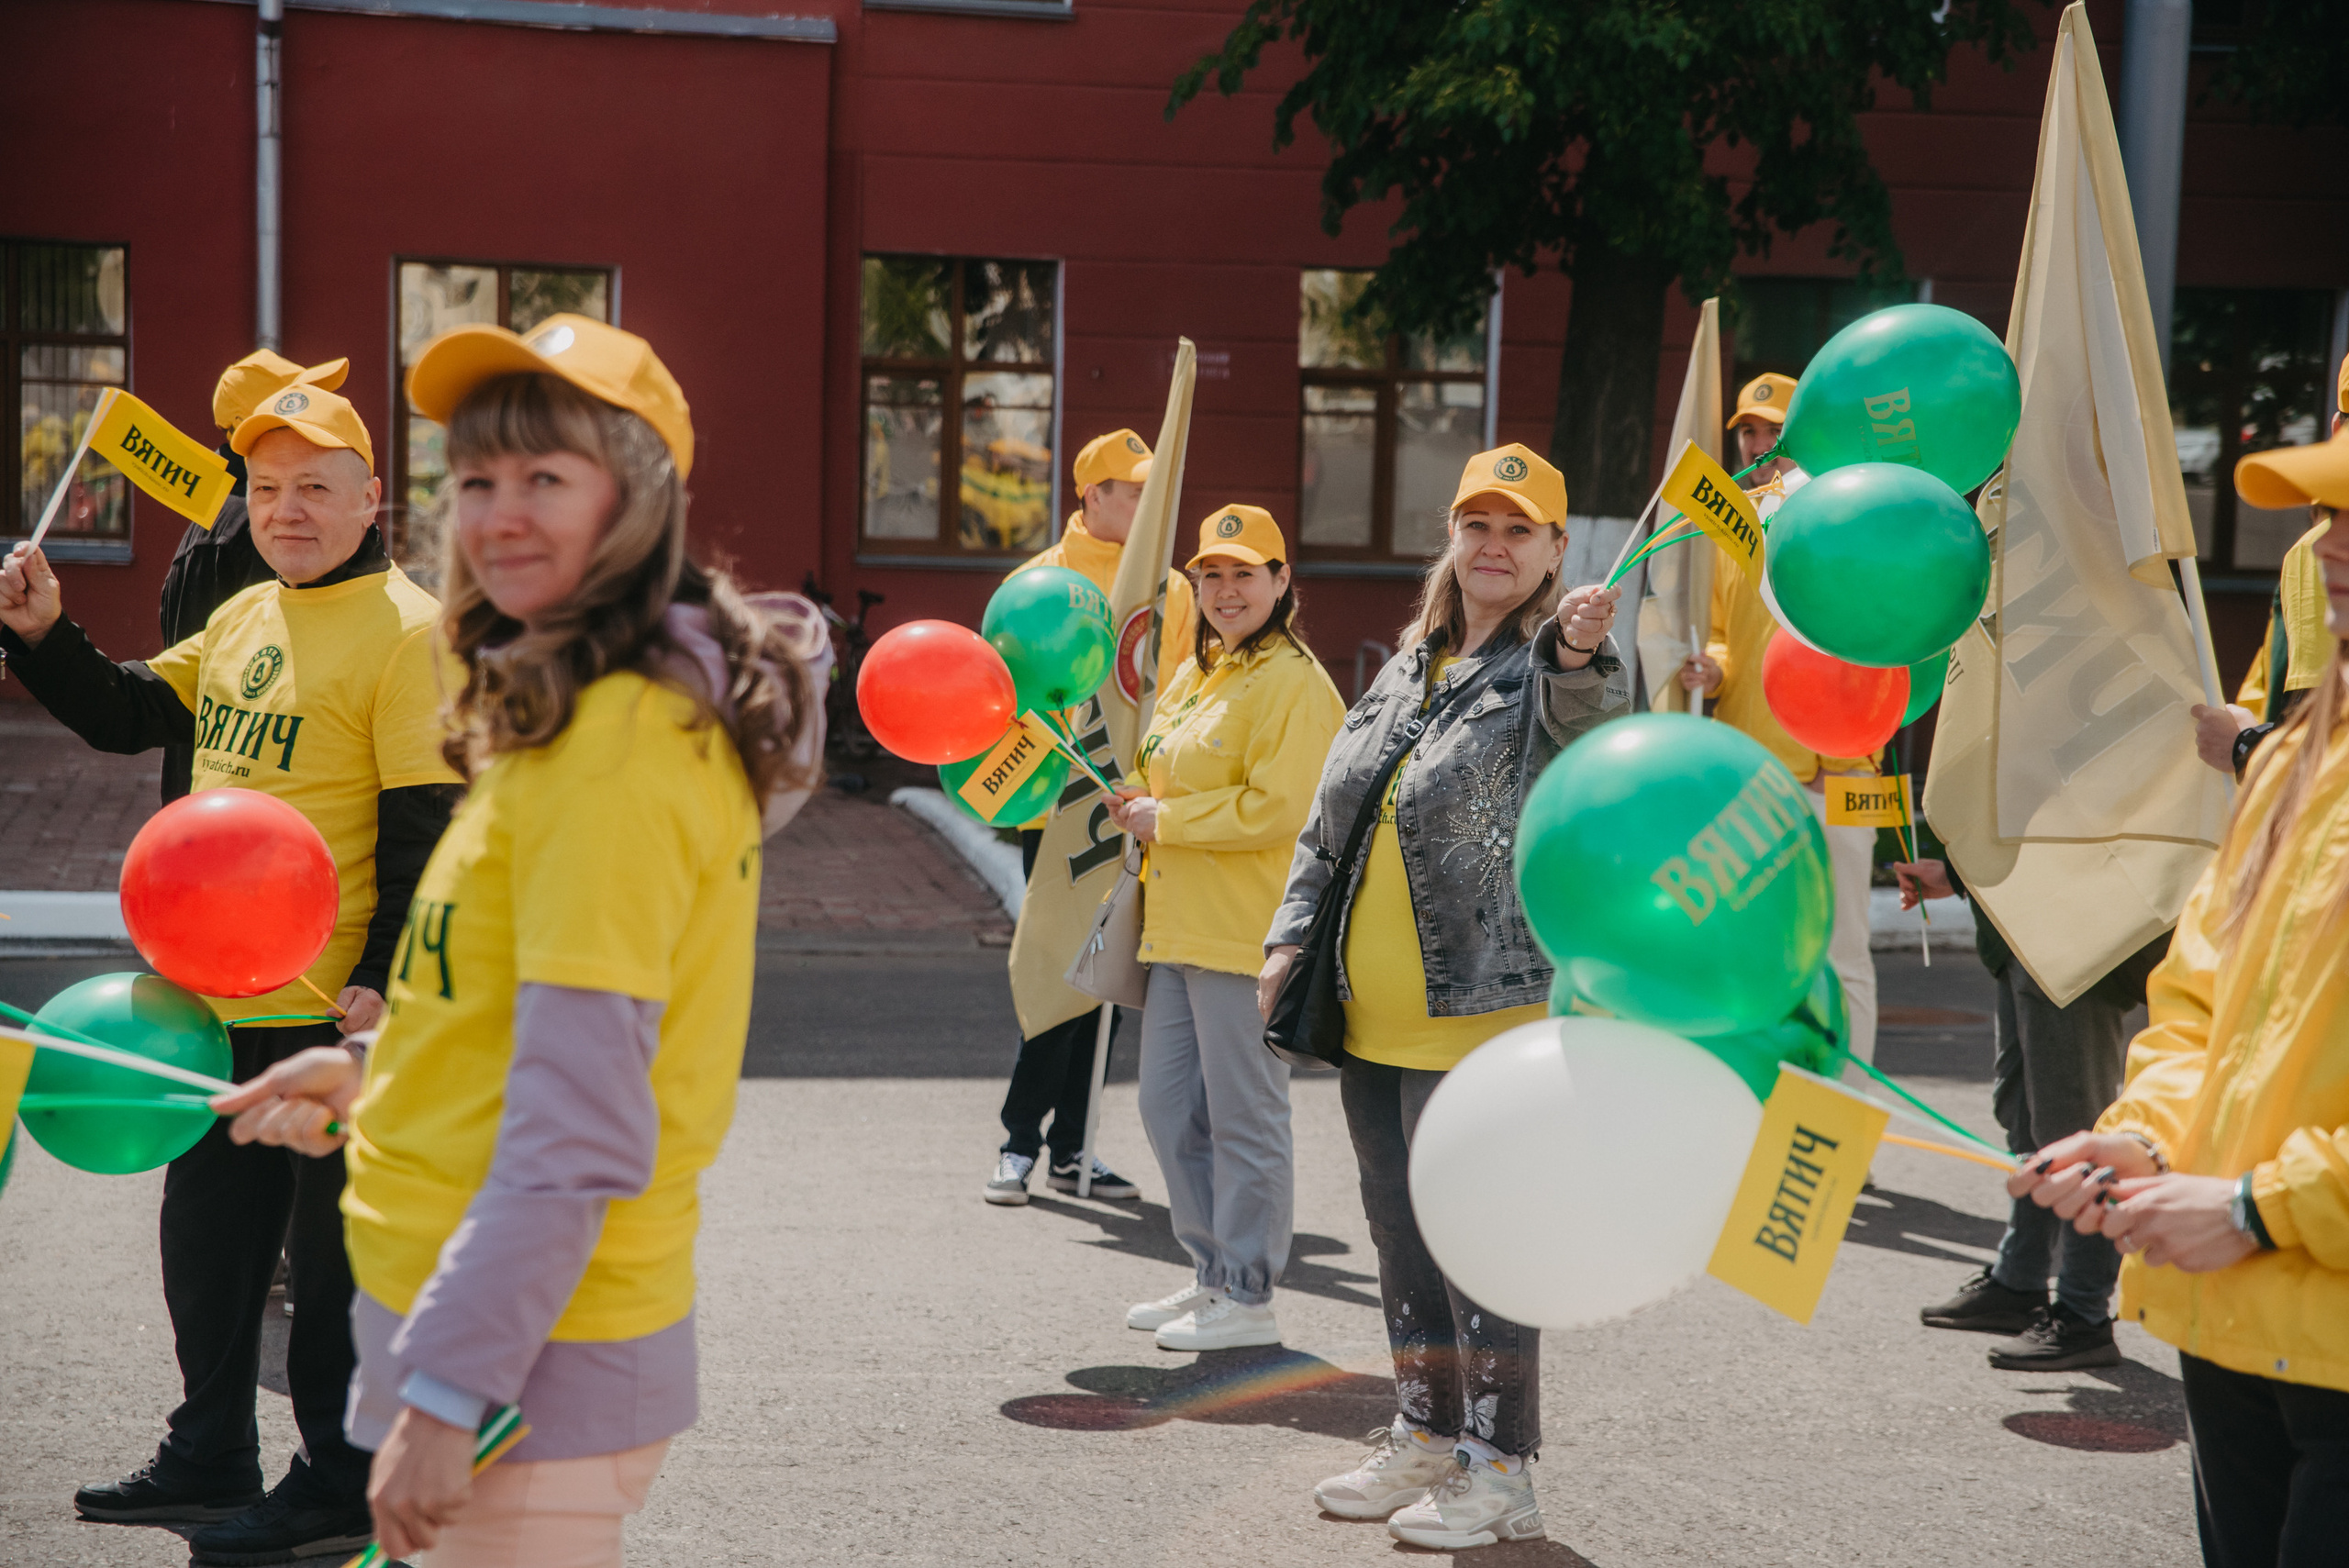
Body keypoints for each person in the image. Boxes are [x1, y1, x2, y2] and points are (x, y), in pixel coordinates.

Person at [209, 314, 827, 1566]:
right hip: (500, 1334)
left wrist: (450, 1399)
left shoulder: (614, 747)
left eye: (547, 475)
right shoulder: (569, 711)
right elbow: (510, 1007)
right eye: (480, 476)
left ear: (636, 503)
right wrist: (379, 1074)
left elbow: (579, 1126)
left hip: (524, 1369)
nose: (499, 513)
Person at [0, 385, 458, 1563]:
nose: (285, 509)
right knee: (205, 1248)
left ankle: (338, 1483)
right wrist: (43, 633)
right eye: (265, 488)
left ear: (371, 498)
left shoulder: (411, 631)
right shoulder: (249, 609)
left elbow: (429, 825)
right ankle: (210, 1450)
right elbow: (127, 713)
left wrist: (381, 981)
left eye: (314, 487)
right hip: (214, 1002)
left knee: (332, 1273)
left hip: (329, 1014)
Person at [1263, 445, 1631, 1551]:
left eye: (1519, 530)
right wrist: (1289, 933)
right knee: (1400, 1233)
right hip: (1371, 1013)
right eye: (1478, 525)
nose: (1494, 546)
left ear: (1555, 550)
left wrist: (1578, 647)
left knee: (1480, 1241)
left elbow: (1591, 728)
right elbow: (1330, 818)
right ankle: (1425, 1430)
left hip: (1486, 1015)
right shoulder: (1410, 662)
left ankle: (1500, 1468)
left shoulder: (1550, 665)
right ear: (1453, 539)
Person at [2008, 428, 2349, 1565]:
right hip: (2237, 1324)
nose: (2328, 546)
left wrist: (2257, 1206)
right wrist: (2149, 1136)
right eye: (2327, 513)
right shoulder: (2297, 759)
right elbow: (2200, 999)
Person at [1104, 505, 1344, 1352]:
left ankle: (1248, 1293)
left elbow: (1283, 806)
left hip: (1245, 932)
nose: (1226, 589)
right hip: (1175, 925)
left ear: (1282, 582)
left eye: (1246, 573)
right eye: (1211, 574)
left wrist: (1166, 818)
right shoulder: (1198, 671)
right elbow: (1166, 768)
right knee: (1169, 1108)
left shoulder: (1295, 680)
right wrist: (1137, 797)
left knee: (1245, 1116)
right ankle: (1211, 1271)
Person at [985, 428, 1197, 1206]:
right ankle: (1020, 1141)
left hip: (1137, 810)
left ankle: (1074, 1148)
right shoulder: (1038, 582)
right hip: (1058, 815)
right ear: (1092, 495)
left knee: (1108, 983)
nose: (1147, 504)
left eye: (1152, 491)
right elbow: (1004, 703)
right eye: (1133, 491)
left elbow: (1185, 693)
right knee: (1058, 972)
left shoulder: (1173, 590)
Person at [1889, 855, 2168, 1368]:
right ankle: (2019, 1280)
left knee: (2071, 1128)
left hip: (2070, 920)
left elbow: (2066, 822)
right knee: (2023, 1109)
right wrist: (1960, 873)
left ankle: (2083, 1314)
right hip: (2024, 921)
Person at [1679, 373, 1882, 1073]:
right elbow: (1720, 635)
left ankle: (1847, 1105)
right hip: (1753, 770)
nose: (1759, 444)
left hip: (1844, 772)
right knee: (1759, 946)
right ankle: (1763, 1097)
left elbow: (1888, 640)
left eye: (1774, 432)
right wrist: (1709, 670)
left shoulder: (1851, 519)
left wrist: (1854, 749)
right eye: (1748, 432)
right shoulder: (1728, 527)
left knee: (1843, 952)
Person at [158, 350, 353, 804]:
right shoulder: (263, 527)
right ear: (252, 426)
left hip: (206, 780)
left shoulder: (223, 511)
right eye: (298, 403)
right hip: (240, 787)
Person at [2191, 352, 2346, 777]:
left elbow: (2318, 743)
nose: (2326, 546)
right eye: (2339, 512)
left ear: (2336, 428)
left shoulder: (2312, 555)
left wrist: (2244, 746)